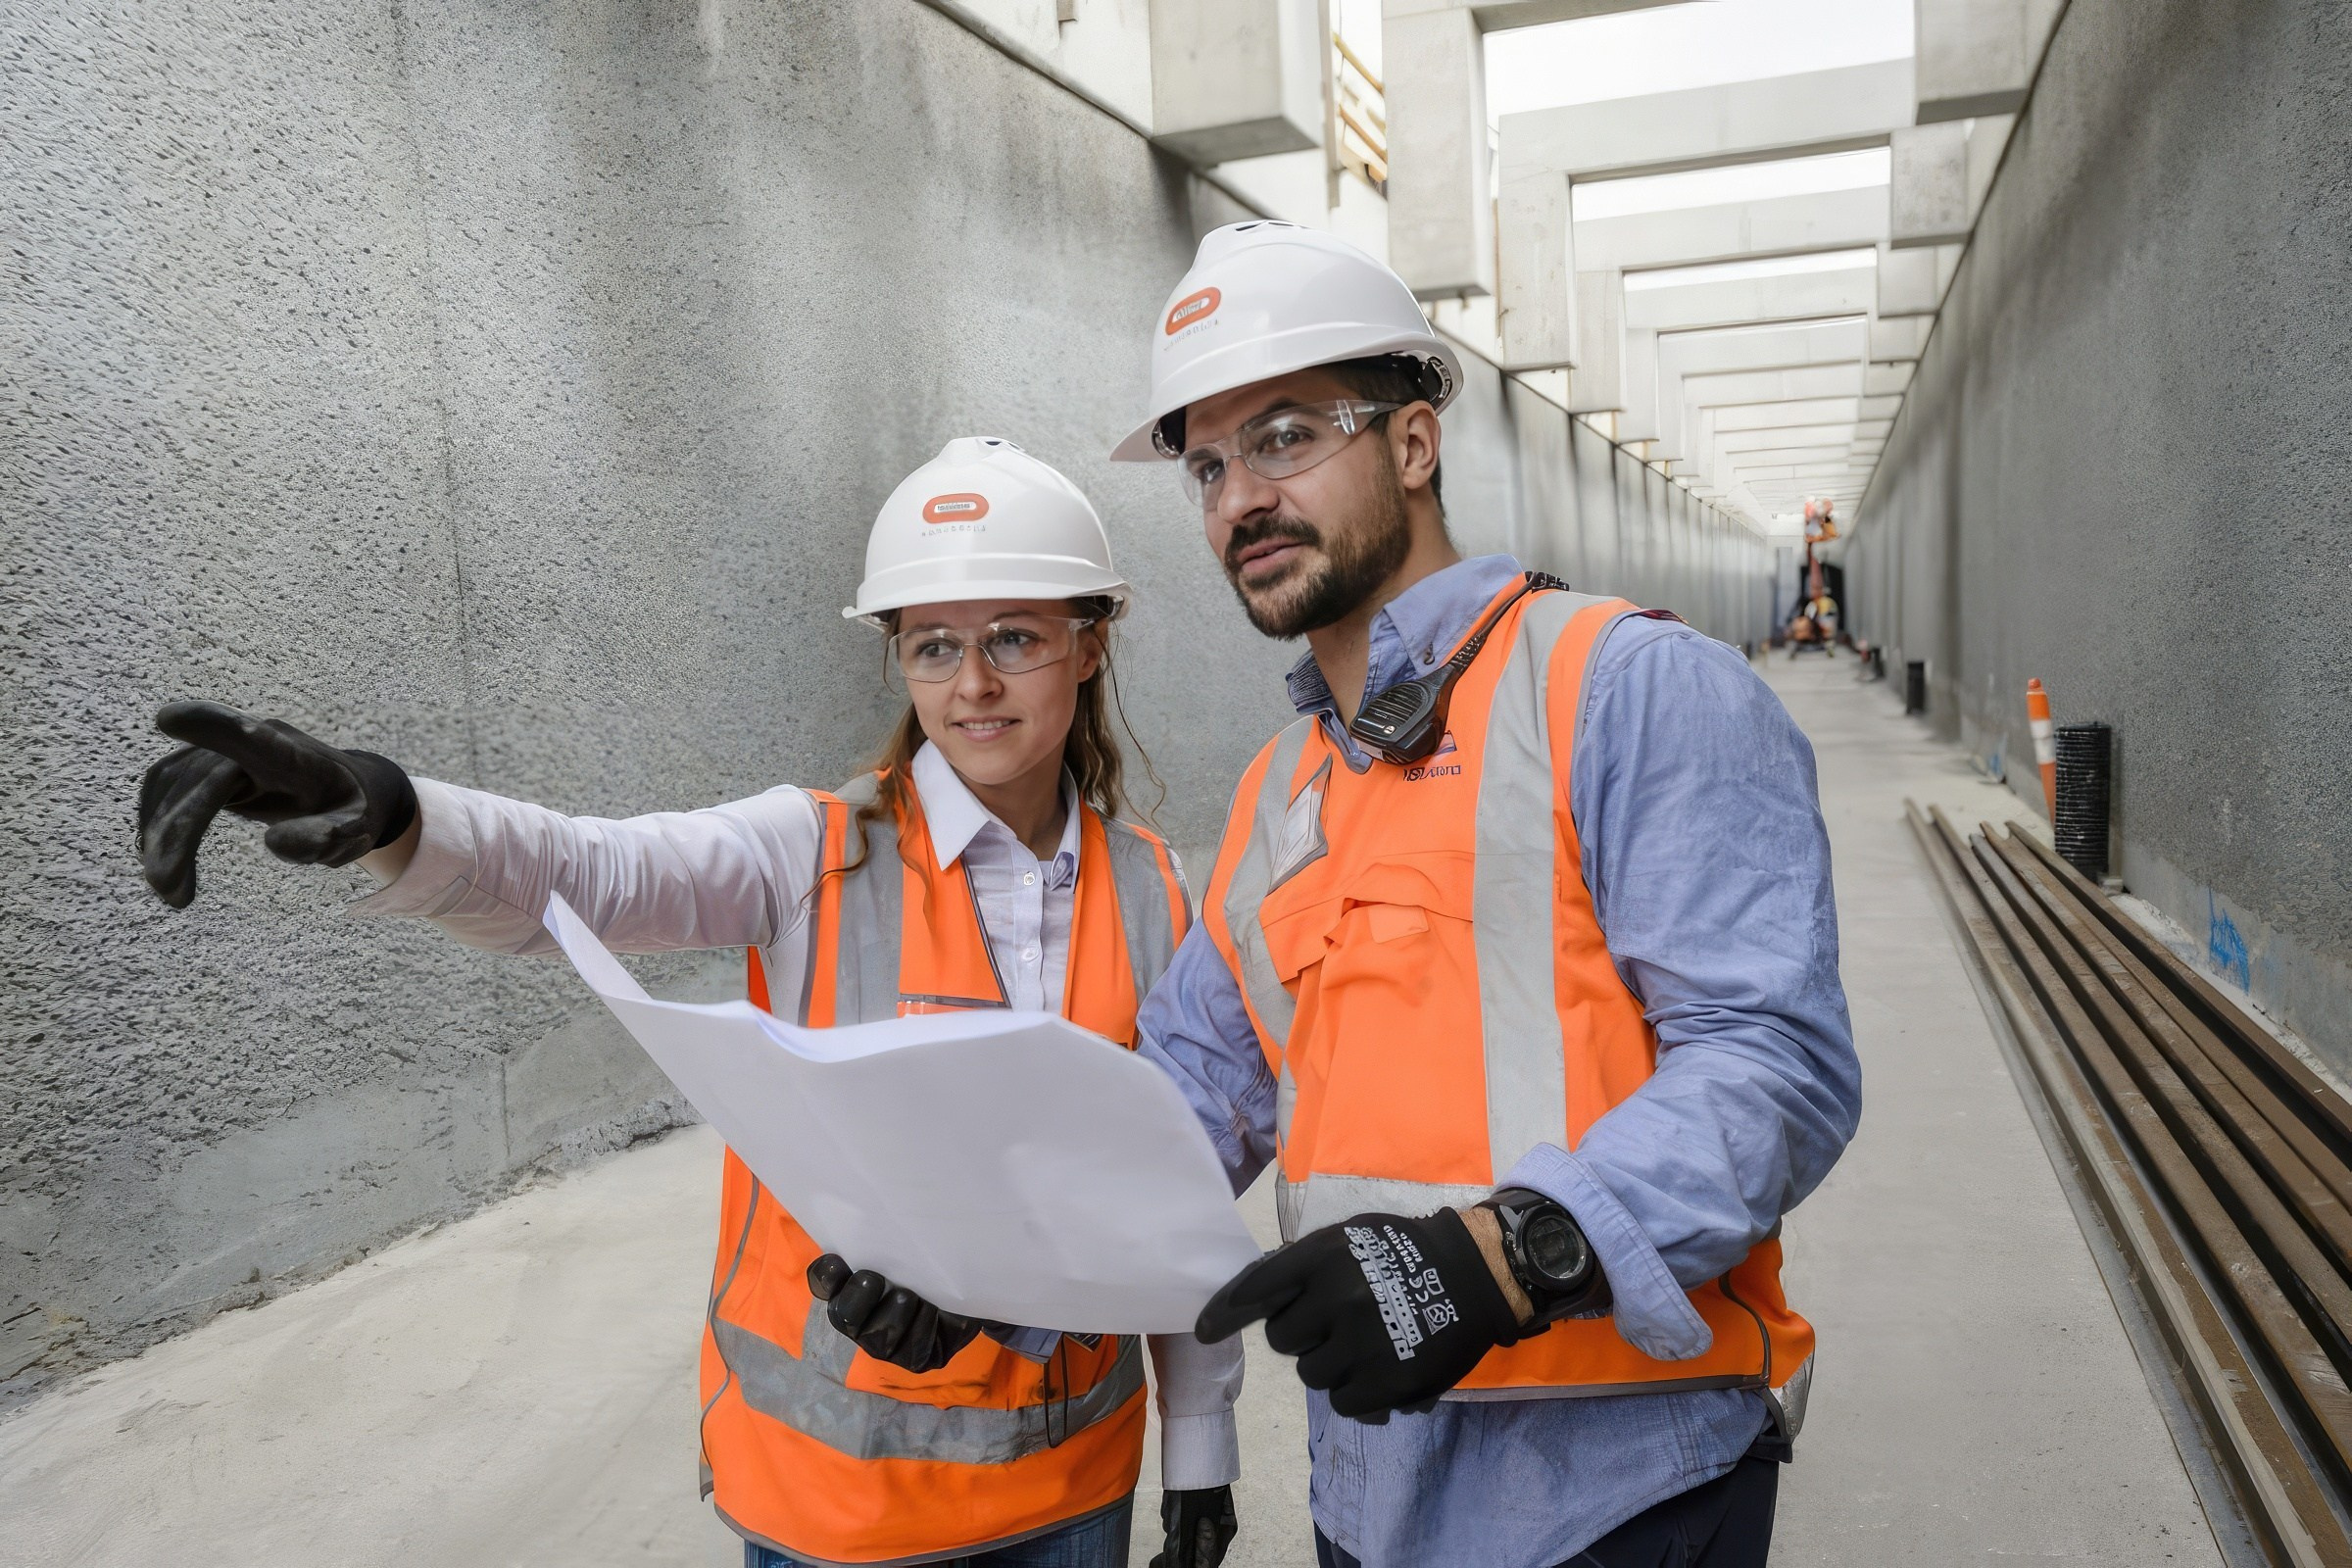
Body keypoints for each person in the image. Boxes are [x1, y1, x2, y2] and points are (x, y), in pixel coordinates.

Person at [134, 438, 1244, 1568]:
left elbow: (1170, 1194)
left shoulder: (1157, 889)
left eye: (1015, 636)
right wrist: (390, 807)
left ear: (1089, 645)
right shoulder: (807, 853)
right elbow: (590, 874)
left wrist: (1200, 1446)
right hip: (833, 1505)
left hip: (1070, 1492)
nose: (973, 685)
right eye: (933, 645)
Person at [1108, 222, 1862, 1568]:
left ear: (1413, 443)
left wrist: (1504, 1254)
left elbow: (1774, 1068)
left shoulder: (1625, 690)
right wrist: (977, 1261)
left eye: (1284, 436)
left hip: (1629, 1491)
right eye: (1208, 463)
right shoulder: (1280, 796)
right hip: (1371, 1487)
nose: (1237, 500)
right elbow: (1181, 1100)